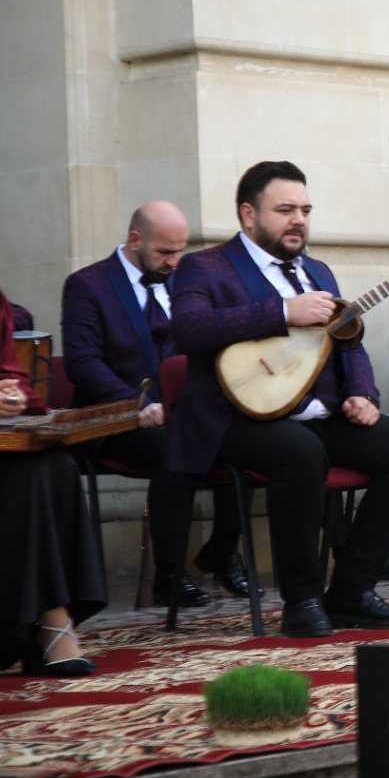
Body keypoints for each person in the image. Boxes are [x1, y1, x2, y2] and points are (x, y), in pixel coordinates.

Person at [165, 161, 389, 636]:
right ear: (249, 215)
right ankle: (302, 599)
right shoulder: (204, 267)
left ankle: (351, 589)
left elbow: (348, 342)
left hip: (315, 413)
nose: (299, 221)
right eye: (285, 210)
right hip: (234, 418)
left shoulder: (317, 270)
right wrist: (281, 311)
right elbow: (187, 329)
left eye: (305, 211)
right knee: (300, 451)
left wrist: (361, 393)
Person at [61, 201, 255, 606]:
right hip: (117, 419)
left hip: (186, 410)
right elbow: (82, 362)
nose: (174, 262)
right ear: (135, 240)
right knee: (173, 450)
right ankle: (169, 574)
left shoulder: (185, 281)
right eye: (165, 252)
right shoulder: (87, 285)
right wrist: (136, 402)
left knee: (249, 437)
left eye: (180, 251)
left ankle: (222, 549)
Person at [0, 187, 106, 676]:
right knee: (25, 477)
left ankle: (51, 622)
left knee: (54, 463)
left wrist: (10, 396)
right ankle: (50, 629)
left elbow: (13, 375)